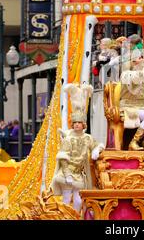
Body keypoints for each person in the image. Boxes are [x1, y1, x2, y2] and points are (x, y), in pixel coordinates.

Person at [50, 83, 104, 213]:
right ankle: (66, 217)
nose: (76, 125)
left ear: (83, 124)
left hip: (79, 175)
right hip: (67, 173)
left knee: (79, 199)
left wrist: (96, 150)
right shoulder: (68, 138)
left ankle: (75, 216)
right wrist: (67, 174)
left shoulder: (87, 138)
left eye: (79, 123)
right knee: (67, 197)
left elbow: (97, 145)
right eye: (75, 123)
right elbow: (63, 158)